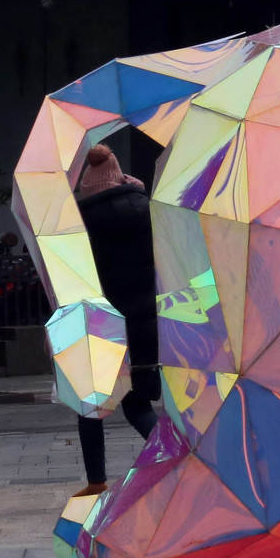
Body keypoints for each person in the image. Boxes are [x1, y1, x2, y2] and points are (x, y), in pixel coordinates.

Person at [72, 144, 161, 495]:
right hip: (143, 322)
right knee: (138, 404)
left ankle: (96, 481)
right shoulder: (146, 211)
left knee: (89, 407)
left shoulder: (79, 224)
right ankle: (176, 465)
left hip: (96, 324)